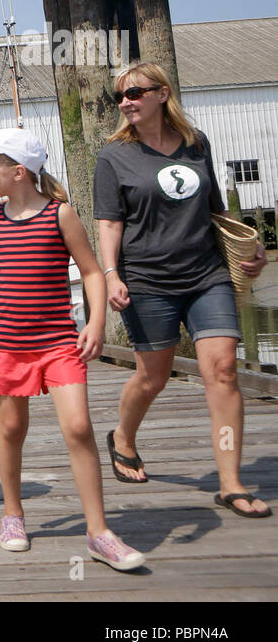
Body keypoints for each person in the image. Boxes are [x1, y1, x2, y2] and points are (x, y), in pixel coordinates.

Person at [0, 128, 147, 571]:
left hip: (58, 341)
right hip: (7, 342)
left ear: (17, 171)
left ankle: (99, 532)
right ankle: (13, 514)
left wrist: (96, 323)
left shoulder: (61, 215)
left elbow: (92, 272)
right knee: (11, 427)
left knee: (78, 426)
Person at [94, 62, 269, 518]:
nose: (126, 102)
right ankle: (122, 437)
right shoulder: (113, 156)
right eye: (120, 97)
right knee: (153, 375)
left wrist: (253, 248)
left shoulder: (196, 143)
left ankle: (230, 482)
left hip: (205, 273)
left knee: (224, 371)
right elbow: (109, 222)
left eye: (135, 92)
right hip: (147, 279)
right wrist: (112, 274)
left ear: (161, 93)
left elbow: (214, 208)